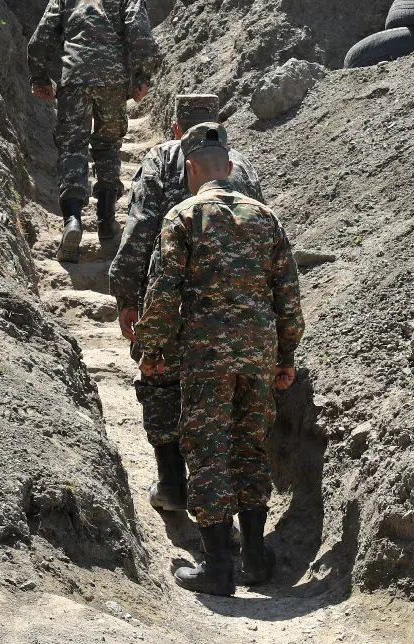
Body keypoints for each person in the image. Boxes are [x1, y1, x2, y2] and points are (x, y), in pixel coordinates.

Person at [135, 122, 302, 596]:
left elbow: (163, 295)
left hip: (206, 355)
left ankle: (217, 567)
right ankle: (254, 556)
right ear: (229, 167)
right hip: (258, 352)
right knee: (250, 444)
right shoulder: (266, 217)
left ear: (191, 168)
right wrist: (285, 354)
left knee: (207, 449)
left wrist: (153, 352)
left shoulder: (182, 217)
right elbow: (287, 295)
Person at [111, 93, 266, 515]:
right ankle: (229, 506)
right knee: (225, 410)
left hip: (169, 301)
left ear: (177, 129)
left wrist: (128, 296)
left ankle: (173, 483)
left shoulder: (162, 159)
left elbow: (140, 228)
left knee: (160, 382)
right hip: (231, 313)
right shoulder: (241, 167)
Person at [27, 0, 160, 260]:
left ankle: (72, 220)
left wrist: (40, 77)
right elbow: (140, 36)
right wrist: (141, 78)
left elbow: (42, 35)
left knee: (73, 147)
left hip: (74, 79)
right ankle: (105, 220)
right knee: (108, 144)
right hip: (113, 83)